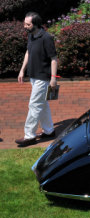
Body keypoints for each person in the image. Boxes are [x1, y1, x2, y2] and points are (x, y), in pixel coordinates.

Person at [15, 12, 58, 146]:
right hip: (33, 76)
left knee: (34, 105)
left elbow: (54, 59)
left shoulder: (46, 38)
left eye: (28, 24)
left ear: (36, 24)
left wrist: (53, 78)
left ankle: (29, 136)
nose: (25, 26)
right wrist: (22, 70)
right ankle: (49, 130)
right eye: (24, 23)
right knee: (42, 104)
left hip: (43, 77)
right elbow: (28, 52)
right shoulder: (31, 35)